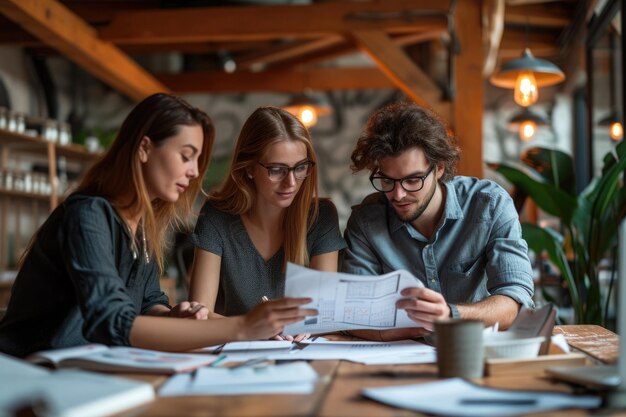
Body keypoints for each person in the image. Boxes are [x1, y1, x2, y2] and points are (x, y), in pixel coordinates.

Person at [0, 93, 315, 358]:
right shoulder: (88, 215)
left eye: (197, 160)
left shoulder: (141, 225)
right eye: (186, 156)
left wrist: (176, 316)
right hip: (31, 371)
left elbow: (149, 303)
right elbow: (112, 322)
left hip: (84, 367)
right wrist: (244, 327)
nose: (193, 172)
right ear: (144, 148)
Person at [341, 101, 534, 337]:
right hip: (401, 362)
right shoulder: (366, 222)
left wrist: (450, 315)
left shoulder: (489, 205)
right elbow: (353, 315)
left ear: (439, 168)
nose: (398, 194)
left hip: (478, 354)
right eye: (387, 181)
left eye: (413, 180)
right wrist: (417, 328)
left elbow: (516, 303)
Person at [188, 107, 345, 340]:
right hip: (237, 355)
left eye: (300, 167)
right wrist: (256, 327)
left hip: (304, 354)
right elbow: (199, 314)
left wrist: (306, 325)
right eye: (277, 170)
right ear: (249, 167)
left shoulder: (321, 217)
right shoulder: (216, 216)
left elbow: (325, 312)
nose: (291, 182)